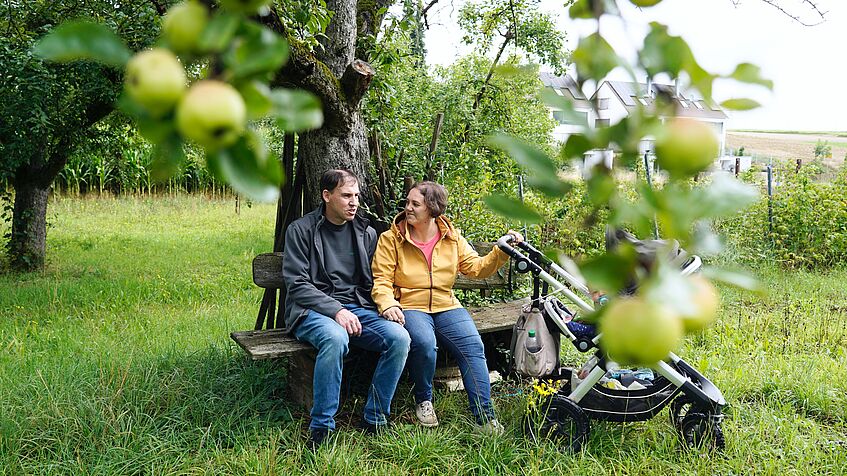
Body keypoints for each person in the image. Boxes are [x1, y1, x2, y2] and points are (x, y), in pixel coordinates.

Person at [370, 181, 523, 435]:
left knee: (473, 347)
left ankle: (485, 419)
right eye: (407, 202)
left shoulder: (451, 237)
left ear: (432, 208)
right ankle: (424, 400)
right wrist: (387, 304)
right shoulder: (391, 239)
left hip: (446, 304)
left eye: (414, 204)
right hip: (410, 305)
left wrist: (501, 251)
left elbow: (477, 268)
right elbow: (382, 280)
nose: (407, 208)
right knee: (424, 343)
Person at [282, 169, 410, 449]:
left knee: (399, 339)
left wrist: (386, 304)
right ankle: (322, 428)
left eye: (356, 196)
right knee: (335, 337)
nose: (354, 202)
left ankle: (375, 418)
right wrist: (335, 310)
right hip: (312, 310)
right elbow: (297, 284)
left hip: (359, 308)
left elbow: (379, 277)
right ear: (327, 196)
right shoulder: (301, 230)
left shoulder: (365, 231)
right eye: (346, 196)